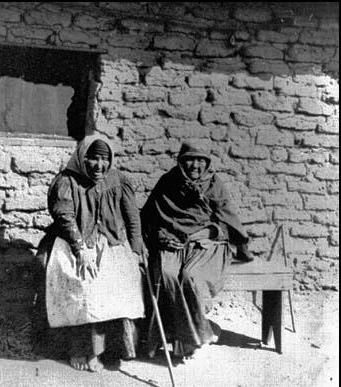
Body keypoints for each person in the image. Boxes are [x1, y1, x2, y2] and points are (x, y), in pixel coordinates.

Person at [35, 134, 145, 372]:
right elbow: (65, 217)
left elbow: (133, 220)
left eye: (104, 160)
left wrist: (136, 251)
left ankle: (110, 350)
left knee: (118, 284)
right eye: (92, 158)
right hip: (73, 241)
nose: (99, 165)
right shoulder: (67, 180)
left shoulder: (119, 181)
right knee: (84, 285)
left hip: (112, 243)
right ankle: (81, 350)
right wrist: (81, 249)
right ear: (82, 158)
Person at [141, 139, 253, 361]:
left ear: (207, 162)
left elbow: (227, 222)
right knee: (167, 276)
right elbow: (148, 218)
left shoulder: (214, 185)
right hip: (172, 242)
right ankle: (193, 333)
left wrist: (215, 236)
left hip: (206, 245)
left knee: (191, 277)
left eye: (200, 160)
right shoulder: (168, 182)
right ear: (181, 162)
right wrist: (159, 236)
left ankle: (189, 340)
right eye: (189, 160)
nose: (195, 166)